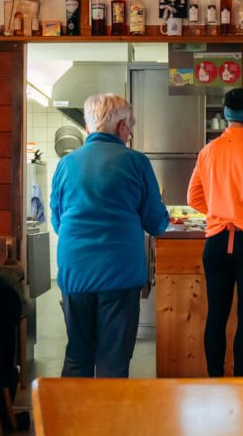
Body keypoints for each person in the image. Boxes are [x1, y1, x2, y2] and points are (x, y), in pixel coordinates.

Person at [50, 93, 168, 378]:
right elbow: (157, 223)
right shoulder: (136, 162)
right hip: (119, 275)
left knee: (77, 355)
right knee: (112, 361)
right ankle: (107, 422)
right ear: (121, 126)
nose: (130, 134)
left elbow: (57, 221)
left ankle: (71, 422)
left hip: (75, 274)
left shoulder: (65, 165)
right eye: (131, 127)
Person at [188, 88, 243, 377]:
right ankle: (242, 383)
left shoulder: (208, 151)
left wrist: (219, 210)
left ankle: (215, 380)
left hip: (215, 241)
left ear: (225, 116)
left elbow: (193, 198)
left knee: (216, 315)